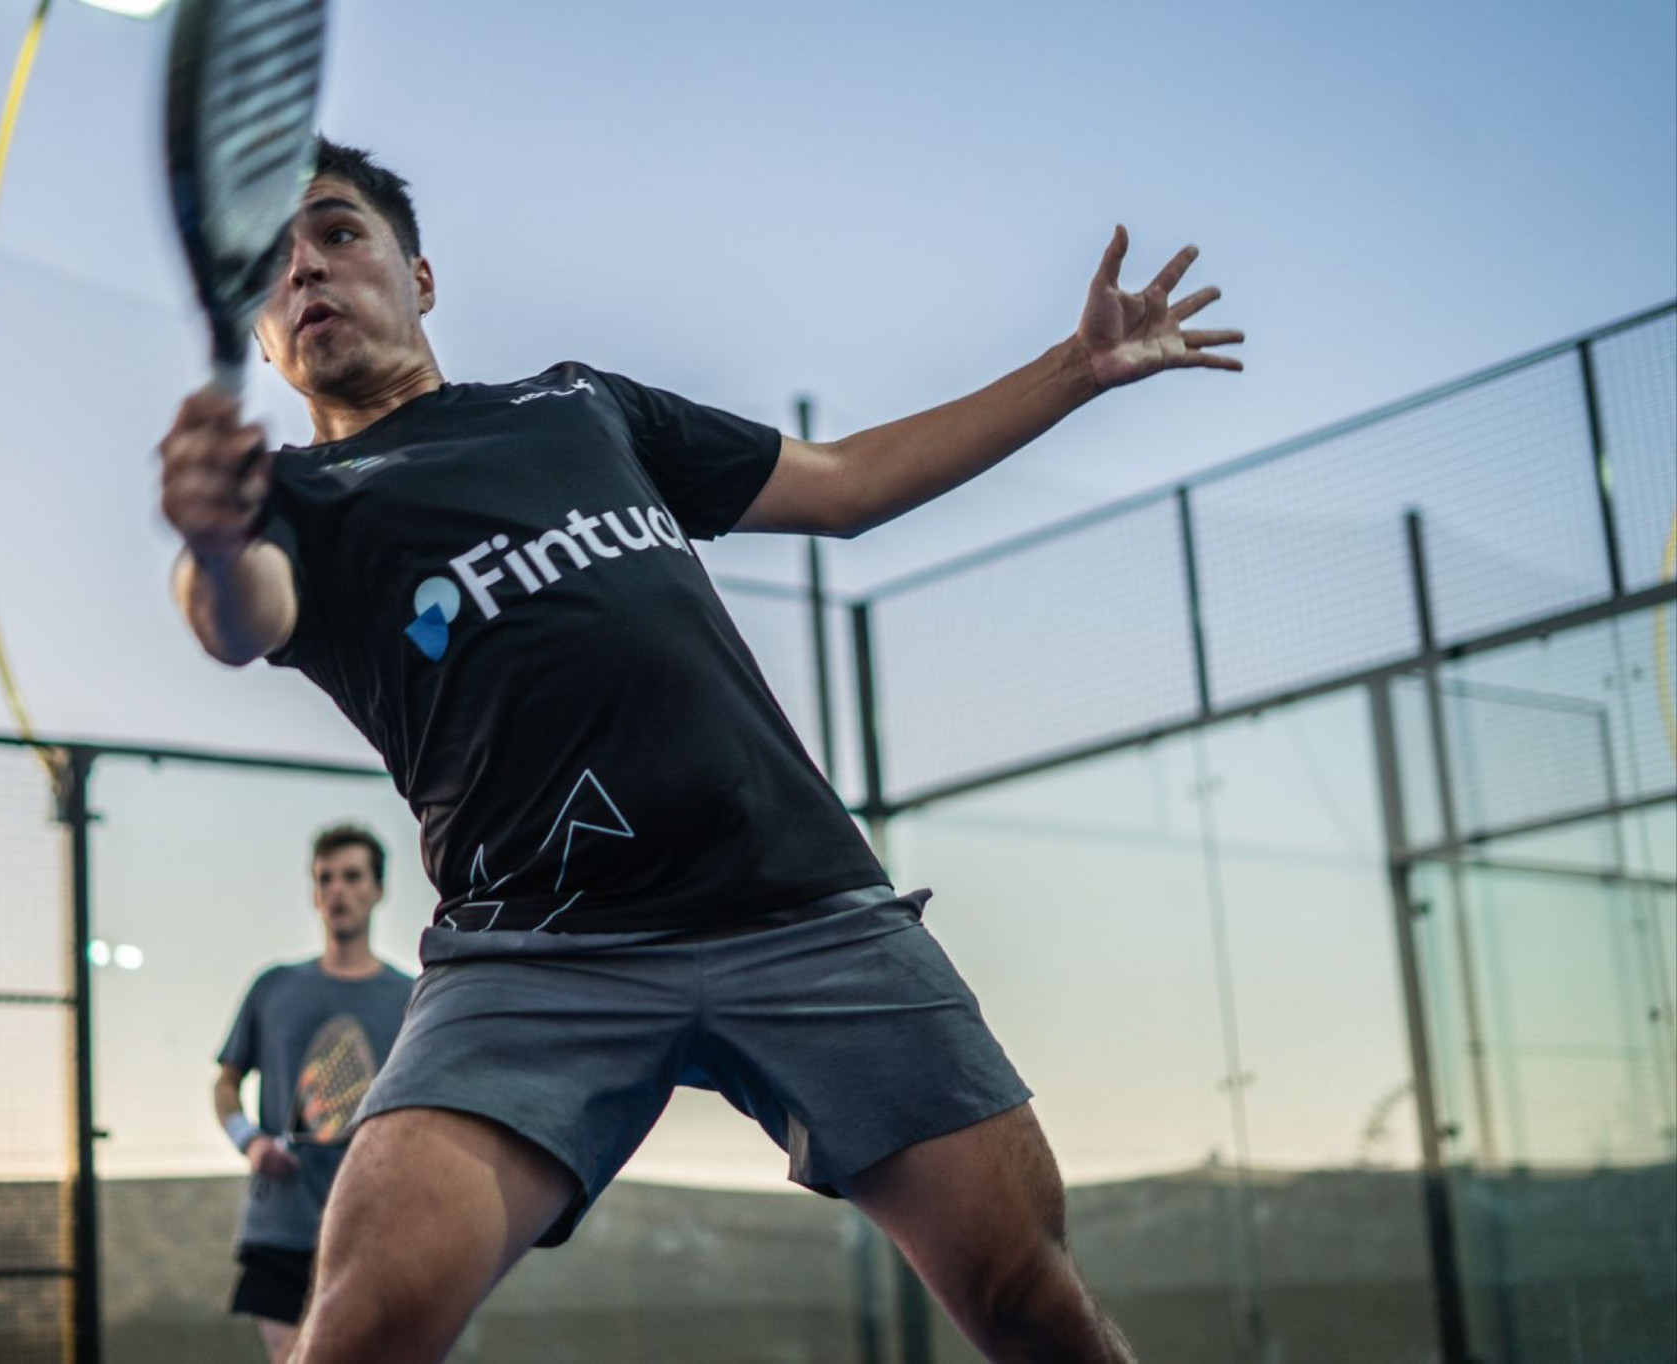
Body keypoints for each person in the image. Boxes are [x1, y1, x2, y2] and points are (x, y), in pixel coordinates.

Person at [159, 138, 1242, 1364]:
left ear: (419, 275)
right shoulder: (291, 502)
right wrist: (208, 544)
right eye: (271, 265)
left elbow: (843, 483)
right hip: (534, 953)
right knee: (362, 1323)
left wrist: (1075, 368)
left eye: (337, 232)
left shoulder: (579, 405)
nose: (305, 269)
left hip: (805, 909)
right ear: (261, 340)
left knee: (1026, 1296)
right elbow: (237, 615)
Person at [211, 823, 414, 1364]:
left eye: (352, 876)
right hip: (280, 1226)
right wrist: (251, 1141)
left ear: (378, 889)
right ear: (313, 893)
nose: (337, 890)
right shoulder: (273, 987)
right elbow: (226, 1083)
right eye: (325, 878)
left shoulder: (412, 999)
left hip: (371, 1228)